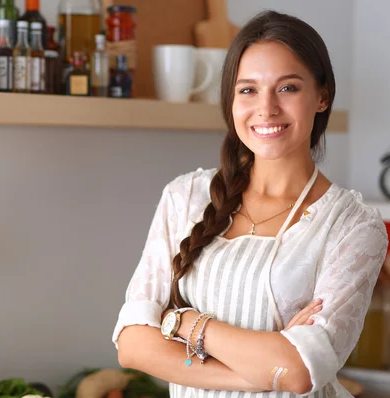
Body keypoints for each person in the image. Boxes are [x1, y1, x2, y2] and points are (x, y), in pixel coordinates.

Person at [112, 10, 389, 398]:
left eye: (288, 88)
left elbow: (299, 372)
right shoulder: (185, 197)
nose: (267, 108)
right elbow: (133, 344)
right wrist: (260, 370)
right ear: (231, 99)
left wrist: (184, 321)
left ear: (322, 96)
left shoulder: (353, 226)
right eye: (248, 89)